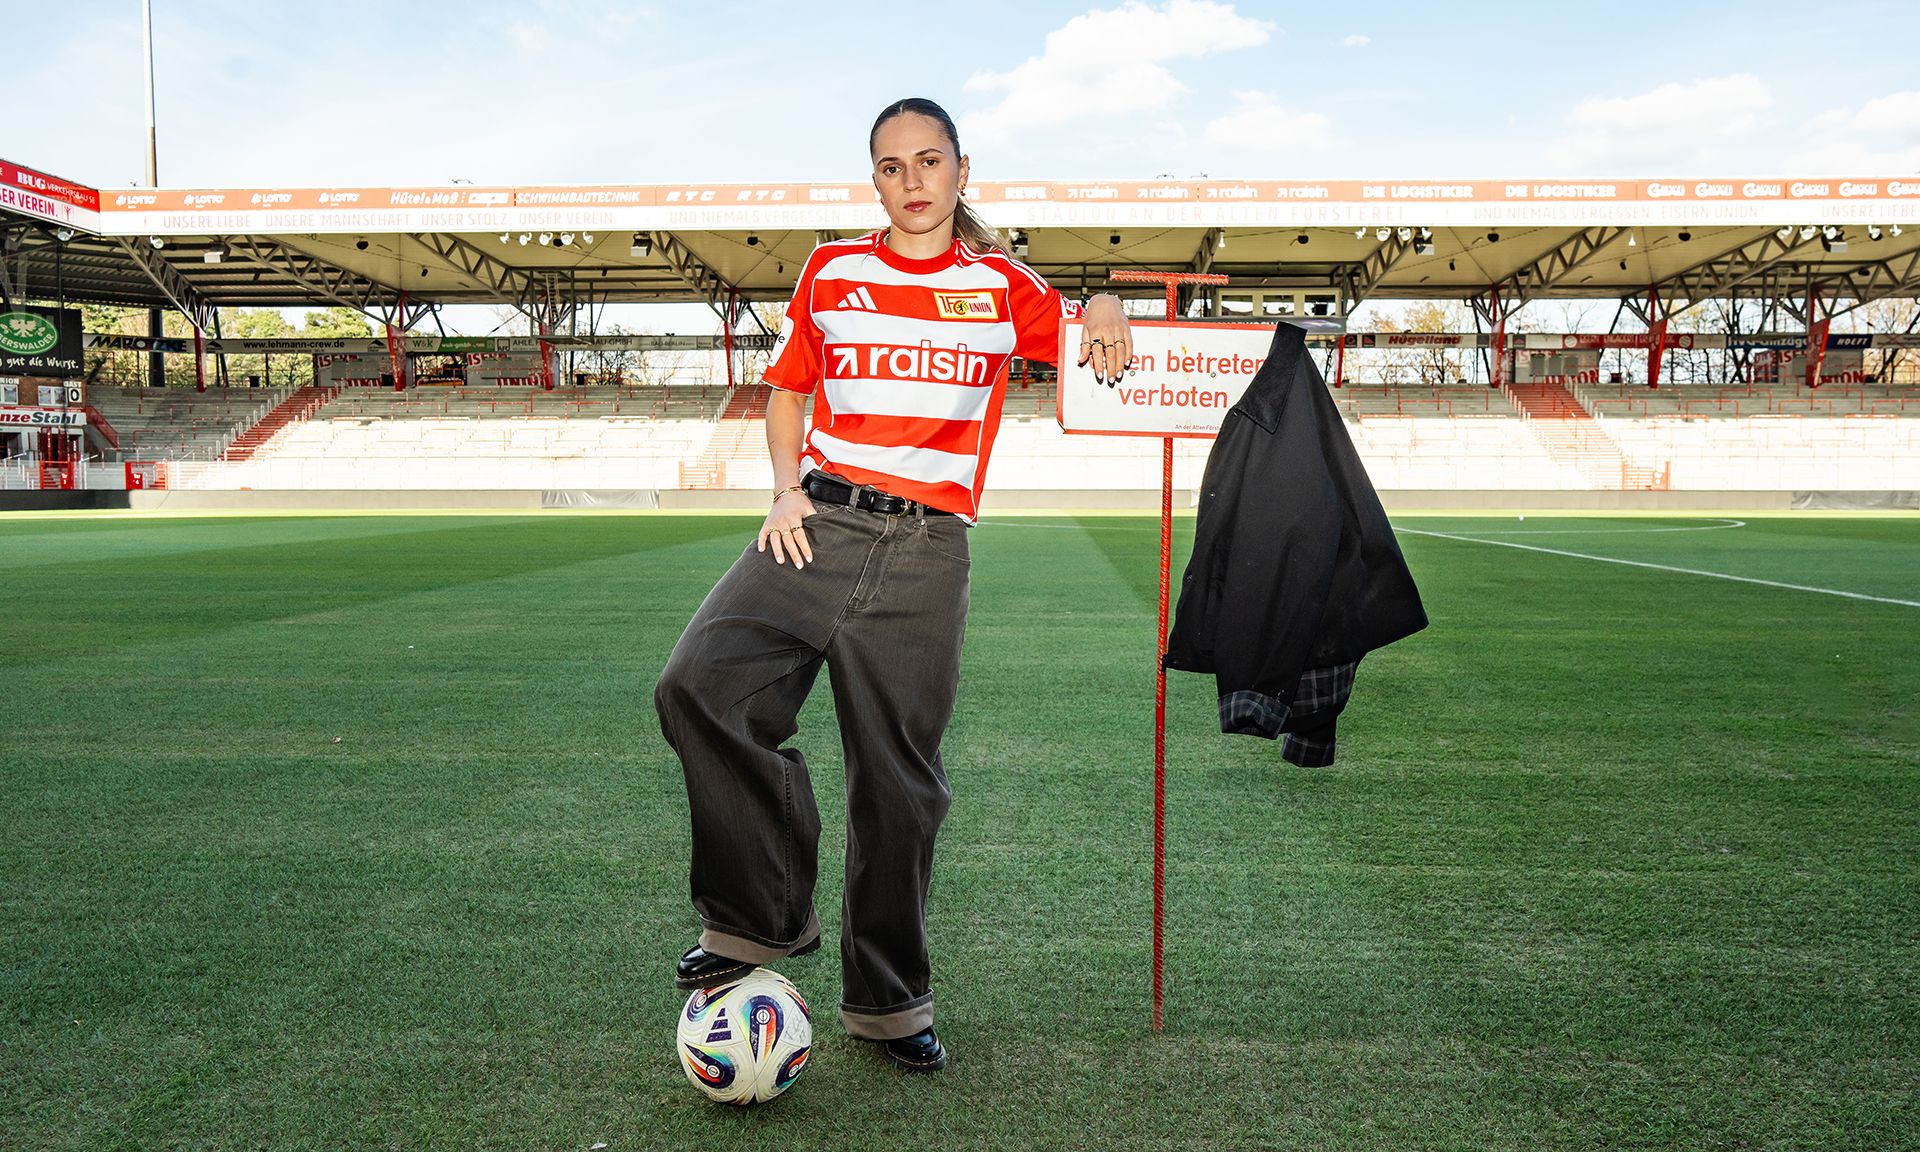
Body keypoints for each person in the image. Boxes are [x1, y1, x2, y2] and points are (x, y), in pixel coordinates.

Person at [654, 96, 1134, 1072]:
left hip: (928, 550)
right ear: (874, 180)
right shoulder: (833, 269)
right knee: (700, 684)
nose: (912, 183)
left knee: (899, 784)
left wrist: (1112, 303)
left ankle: (889, 1004)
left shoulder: (1001, 285)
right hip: (815, 524)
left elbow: (1090, 335)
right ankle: (755, 924)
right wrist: (786, 490)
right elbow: (788, 392)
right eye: (891, 166)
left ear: (963, 171)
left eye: (929, 162)